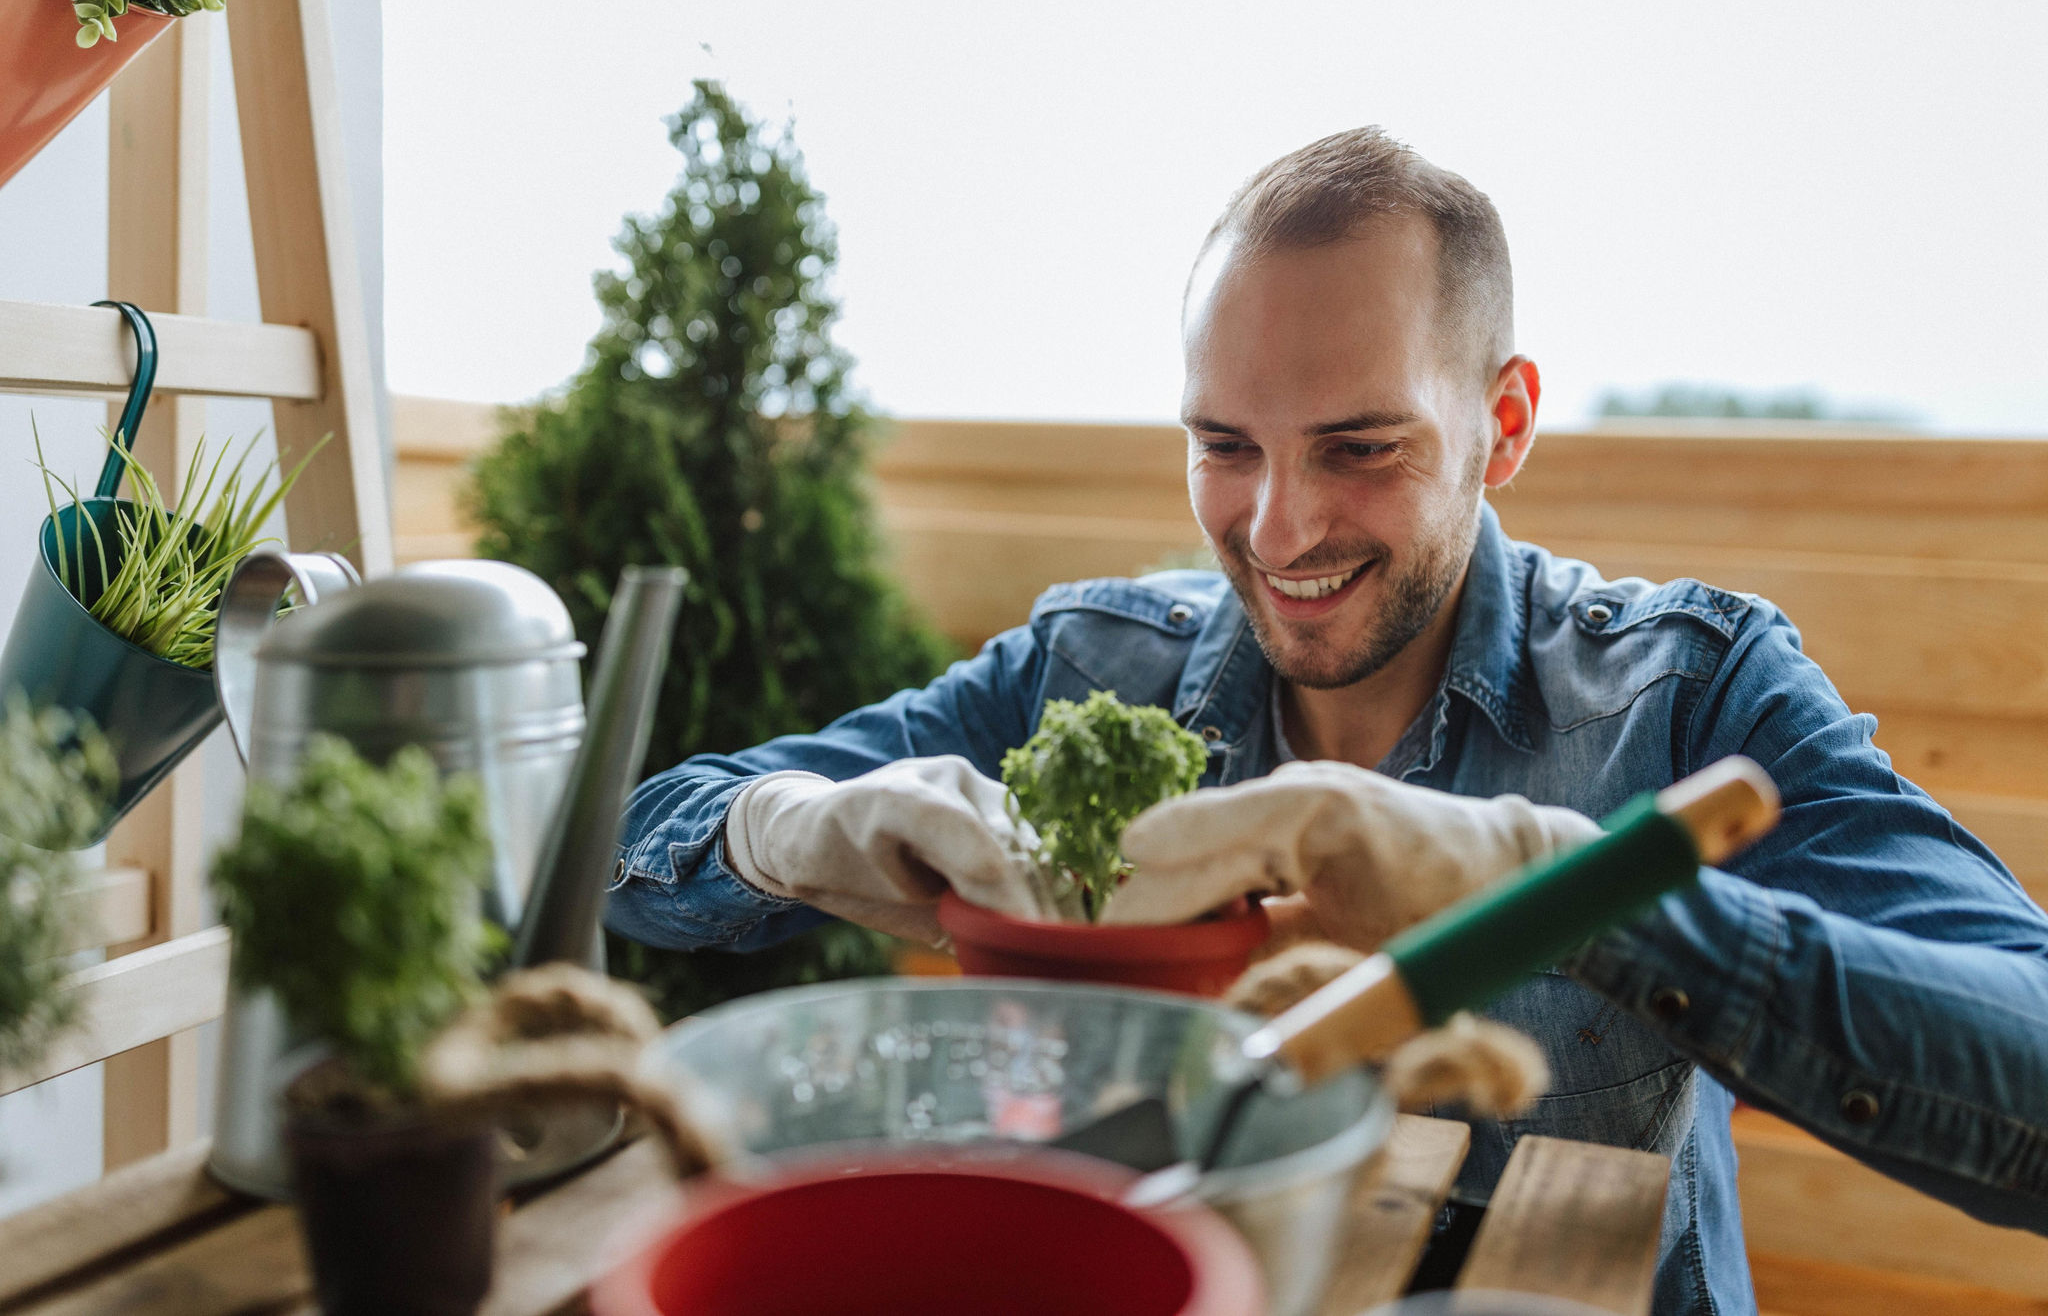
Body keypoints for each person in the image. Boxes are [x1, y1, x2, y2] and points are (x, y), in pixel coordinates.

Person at [605, 127, 2048, 1315]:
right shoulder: (1092, 667)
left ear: (1508, 420)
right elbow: (626, 854)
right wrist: (783, 826)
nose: (1278, 527)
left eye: (1360, 449)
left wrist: (1554, 881)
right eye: (1223, 445)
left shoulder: (1688, 690)